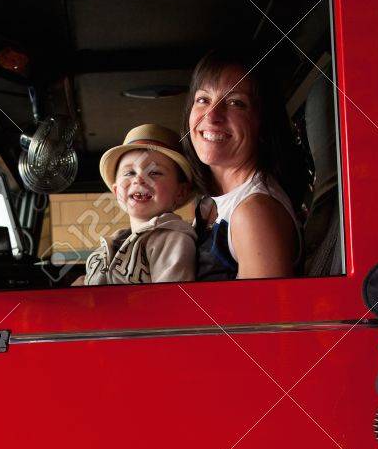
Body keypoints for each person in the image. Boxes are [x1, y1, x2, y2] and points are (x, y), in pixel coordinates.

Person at [184, 51, 306, 280]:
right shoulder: (209, 204)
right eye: (203, 99)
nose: (212, 116)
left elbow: (266, 316)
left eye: (235, 103)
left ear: (263, 123)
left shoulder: (253, 212)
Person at [84, 124, 197, 285]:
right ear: (116, 192)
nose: (139, 179)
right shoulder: (105, 249)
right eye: (129, 173)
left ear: (180, 192)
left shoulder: (171, 239)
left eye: (154, 173)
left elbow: (171, 304)